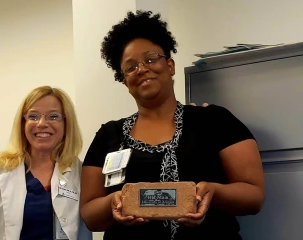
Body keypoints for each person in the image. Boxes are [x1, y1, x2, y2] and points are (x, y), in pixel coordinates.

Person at [80, 11, 265, 240]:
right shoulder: (108, 135)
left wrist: (214, 192)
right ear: (125, 81)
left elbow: (254, 195)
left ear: (170, 65)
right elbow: (89, 215)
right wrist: (114, 201)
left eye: (150, 59)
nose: (142, 69)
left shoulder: (215, 120)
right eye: (130, 67)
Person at [0, 86, 92, 240]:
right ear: (23, 123)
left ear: (66, 123)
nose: (42, 123)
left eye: (53, 116)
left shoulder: (80, 173)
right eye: (33, 116)